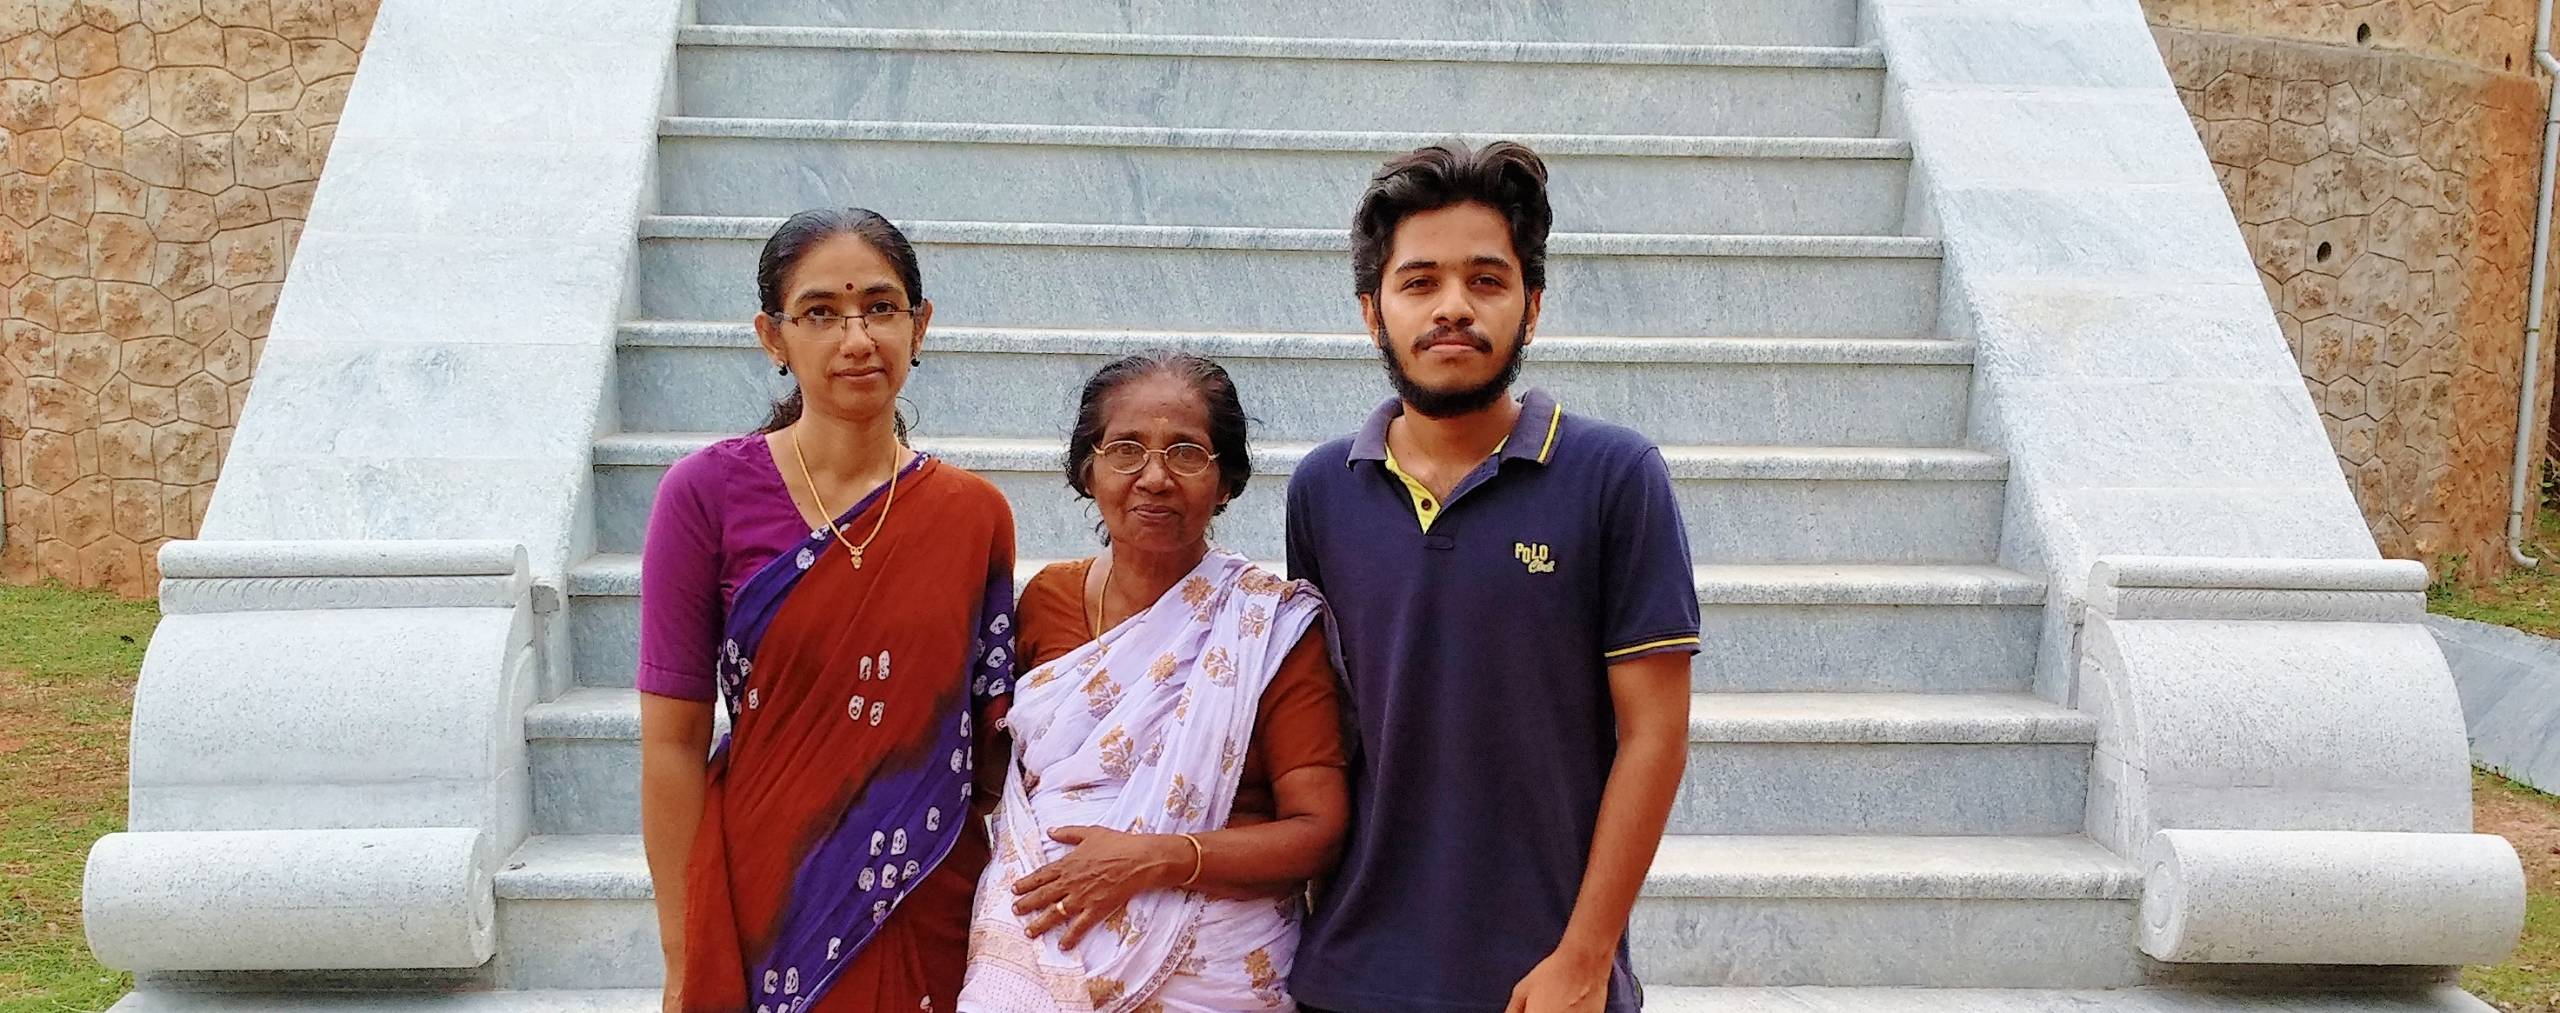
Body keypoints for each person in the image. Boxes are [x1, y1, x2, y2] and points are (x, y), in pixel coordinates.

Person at [1285, 142, 1701, 1013]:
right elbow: (1331, 729)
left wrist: (1585, 958)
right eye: (1419, 280)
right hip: (1351, 972)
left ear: (1532, 305)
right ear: (1372, 311)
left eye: (1486, 280)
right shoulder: (1324, 490)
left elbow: (1654, 736)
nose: (1452, 308)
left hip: (1544, 982)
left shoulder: (1614, 477)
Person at [636, 208, 1017, 1013]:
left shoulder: (972, 515)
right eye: (820, 312)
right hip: (761, 890)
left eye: (881, 307)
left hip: (923, 893)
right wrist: (682, 953)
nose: (857, 338)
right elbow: (670, 744)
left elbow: (986, 745)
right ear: (772, 337)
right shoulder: (704, 496)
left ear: (921, 325)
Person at [960, 351, 1351, 1011]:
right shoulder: (1045, 602)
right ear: (1088, 470)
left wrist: (1155, 858)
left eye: (1187, 453)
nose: (1154, 477)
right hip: (1036, 952)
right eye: (1125, 449)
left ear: (1226, 481)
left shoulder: (1267, 626)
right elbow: (1002, 785)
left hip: (1216, 973)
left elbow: (1318, 828)